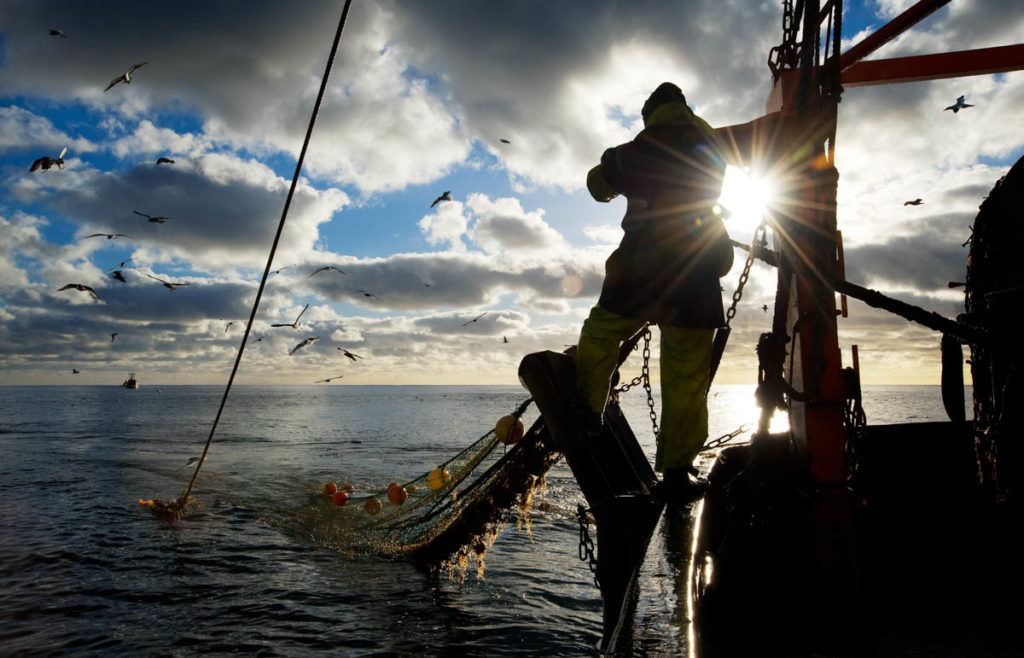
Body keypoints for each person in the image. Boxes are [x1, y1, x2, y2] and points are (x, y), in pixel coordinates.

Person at [575, 82, 735, 501]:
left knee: (601, 332)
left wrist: (609, 167)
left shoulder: (636, 151)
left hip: (640, 269)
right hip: (696, 273)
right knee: (685, 377)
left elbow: (597, 187)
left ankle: (588, 413)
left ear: (650, 114)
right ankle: (678, 474)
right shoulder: (712, 147)